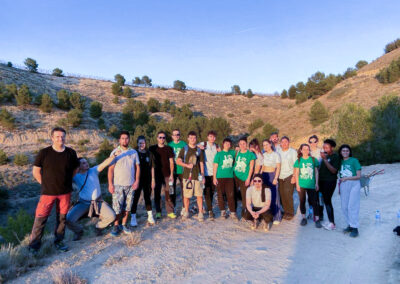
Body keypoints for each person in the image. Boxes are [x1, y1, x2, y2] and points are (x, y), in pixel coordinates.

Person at [29, 127, 80, 252]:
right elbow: (36, 171)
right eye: (57, 136)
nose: (60, 139)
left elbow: (76, 169)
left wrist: (67, 181)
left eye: (62, 136)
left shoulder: (71, 153)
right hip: (48, 193)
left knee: (61, 219)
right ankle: (34, 246)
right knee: (40, 218)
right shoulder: (44, 153)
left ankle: (59, 241)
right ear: (52, 138)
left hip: (65, 192)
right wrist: (44, 184)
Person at [67, 154, 120, 240]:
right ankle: (79, 231)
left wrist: (113, 157)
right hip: (83, 203)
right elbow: (65, 177)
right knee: (68, 219)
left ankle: (98, 227)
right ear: (78, 166)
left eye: (86, 162)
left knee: (112, 216)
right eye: (83, 163)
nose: (86, 164)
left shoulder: (93, 170)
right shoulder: (75, 176)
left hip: (98, 202)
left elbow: (103, 164)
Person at [108, 131, 140, 236]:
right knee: (117, 208)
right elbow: (110, 169)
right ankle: (116, 226)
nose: (124, 140)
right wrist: (110, 184)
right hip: (118, 185)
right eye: (122, 138)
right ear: (119, 140)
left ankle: (124, 224)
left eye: (126, 138)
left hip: (130, 185)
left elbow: (137, 168)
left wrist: (137, 181)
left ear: (129, 139)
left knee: (127, 207)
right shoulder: (115, 152)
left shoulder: (133, 152)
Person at [176, 131, 205, 220]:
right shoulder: (184, 149)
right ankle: (186, 212)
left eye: (194, 138)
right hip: (187, 177)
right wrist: (186, 165)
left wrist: (203, 176)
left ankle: (200, 213)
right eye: (191, 138)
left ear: (196, 139)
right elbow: (178, 161)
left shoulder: (199, 150)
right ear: (188, 138)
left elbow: (201, 163)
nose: (193, 139)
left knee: (199, 196)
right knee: (186, 196)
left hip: (197, 177)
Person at [149, 131, 176, 219]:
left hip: (167, 175)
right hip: (156, 175)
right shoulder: (152, 148)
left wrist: (172, 174)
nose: (162, 139)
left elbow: (172, 162)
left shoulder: (168, 148)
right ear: (157, 138)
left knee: (169, 193)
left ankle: (170, 212)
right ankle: (158, 212)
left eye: (163, 137)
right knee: (157, 194)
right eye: (160, 137)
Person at [294, 144, 322, 228]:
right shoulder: (298, 161)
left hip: (311, 184)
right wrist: (297, 185)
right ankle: (303, 218)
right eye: (304, 149)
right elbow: (296, 173)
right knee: (302, 201)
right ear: (301, 150)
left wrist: (316, 183)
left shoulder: (313, 160)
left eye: (307, 149)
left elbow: (316, 172)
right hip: (301, 184)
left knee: (314, 202)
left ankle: (317, 219)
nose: (306, 151)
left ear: (309, 150)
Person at [130, 136, 156, 227]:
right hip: (137, 180)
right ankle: (133, 217)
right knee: (135, 198)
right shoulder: (134, 153)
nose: (142, 145)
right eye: (140, 143)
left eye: (143, 143)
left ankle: (150, 216)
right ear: (137, 144)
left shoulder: (149, 153)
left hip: (147, 179)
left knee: (147, 197)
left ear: (145, 143)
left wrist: (153, 179)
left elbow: (152, 167)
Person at [338, 144, 362, 238]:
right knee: (344, 207)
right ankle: (350, 225)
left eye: (347, 151)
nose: (345, 152)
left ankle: (355, 228)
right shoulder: (339, 162)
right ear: (340, 152)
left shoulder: (354, 160)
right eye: (343, 151)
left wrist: (347, 178)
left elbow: (358, 176)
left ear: (349, 152)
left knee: (352, 206)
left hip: (354, 184)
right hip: (343, 184)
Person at [319, 139, 340, 231]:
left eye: (327, 147)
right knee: (323, 200)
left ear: (332, 148)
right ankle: (329, 220)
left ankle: (332, 223)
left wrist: (324, 159)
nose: (325, 149)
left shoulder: (335, 157)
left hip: (330, 181)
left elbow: (333, 171)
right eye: (324, 147)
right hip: (321, 181)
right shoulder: (324, 156)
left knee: (327, 201)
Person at [198, 130, 219, 219]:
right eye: (210, 136)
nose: (212, 138)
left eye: (213, 137)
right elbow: (194, 146)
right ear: (207, 137)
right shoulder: (203, 144)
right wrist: (198, 146)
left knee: (212, 191)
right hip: (205, 172)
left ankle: (208, 206)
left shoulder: (217, 146)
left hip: (214, 173)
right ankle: (210, 211)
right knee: (206, 191)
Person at [233, 137, 256, 219]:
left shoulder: (250, 154)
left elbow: (251, 168)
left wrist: (248, 178)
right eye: (240, 144)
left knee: (245, 195)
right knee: (233, 193)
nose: (242, 145)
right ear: (238, 145)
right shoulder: (237, 152)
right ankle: (233, 210)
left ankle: (245, 211)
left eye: (244, 143)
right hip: (235, 175)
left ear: (246, 144)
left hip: (244, 177)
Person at [261, 139, 282, 224]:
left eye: (266, 144)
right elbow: (262, 166)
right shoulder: (263, 155)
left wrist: (275, 178)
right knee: (264, 196)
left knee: (274, 196)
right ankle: (266, 215)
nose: (265, 146)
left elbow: (278, 167)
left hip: (272, 175)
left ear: (270, 144)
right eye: (264, 145)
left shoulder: (276, 154)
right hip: (264, 175)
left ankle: (276, 216)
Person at [277, 136, 297, 220]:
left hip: (289, 175)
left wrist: (294, 176)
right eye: (283, 142)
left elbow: (296, 165)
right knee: (282, 194)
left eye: (286, 142)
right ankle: (285, 211)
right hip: (280, 176)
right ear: (280, 143)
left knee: (288, 194)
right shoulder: (278, 152)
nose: (284, 143)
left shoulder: (292, 152)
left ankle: (290, 212)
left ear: (289, 142)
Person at [168, 129, 186, 208]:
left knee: (184, 189)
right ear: (172, 136)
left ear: (179, 135)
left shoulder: (183, 144)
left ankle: (184, 207)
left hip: (182, 170)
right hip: (172, 171)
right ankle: (173, 207)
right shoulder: (169, 145)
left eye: (178, 134)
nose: (176, 136)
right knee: (172, 190)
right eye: (174, 135)